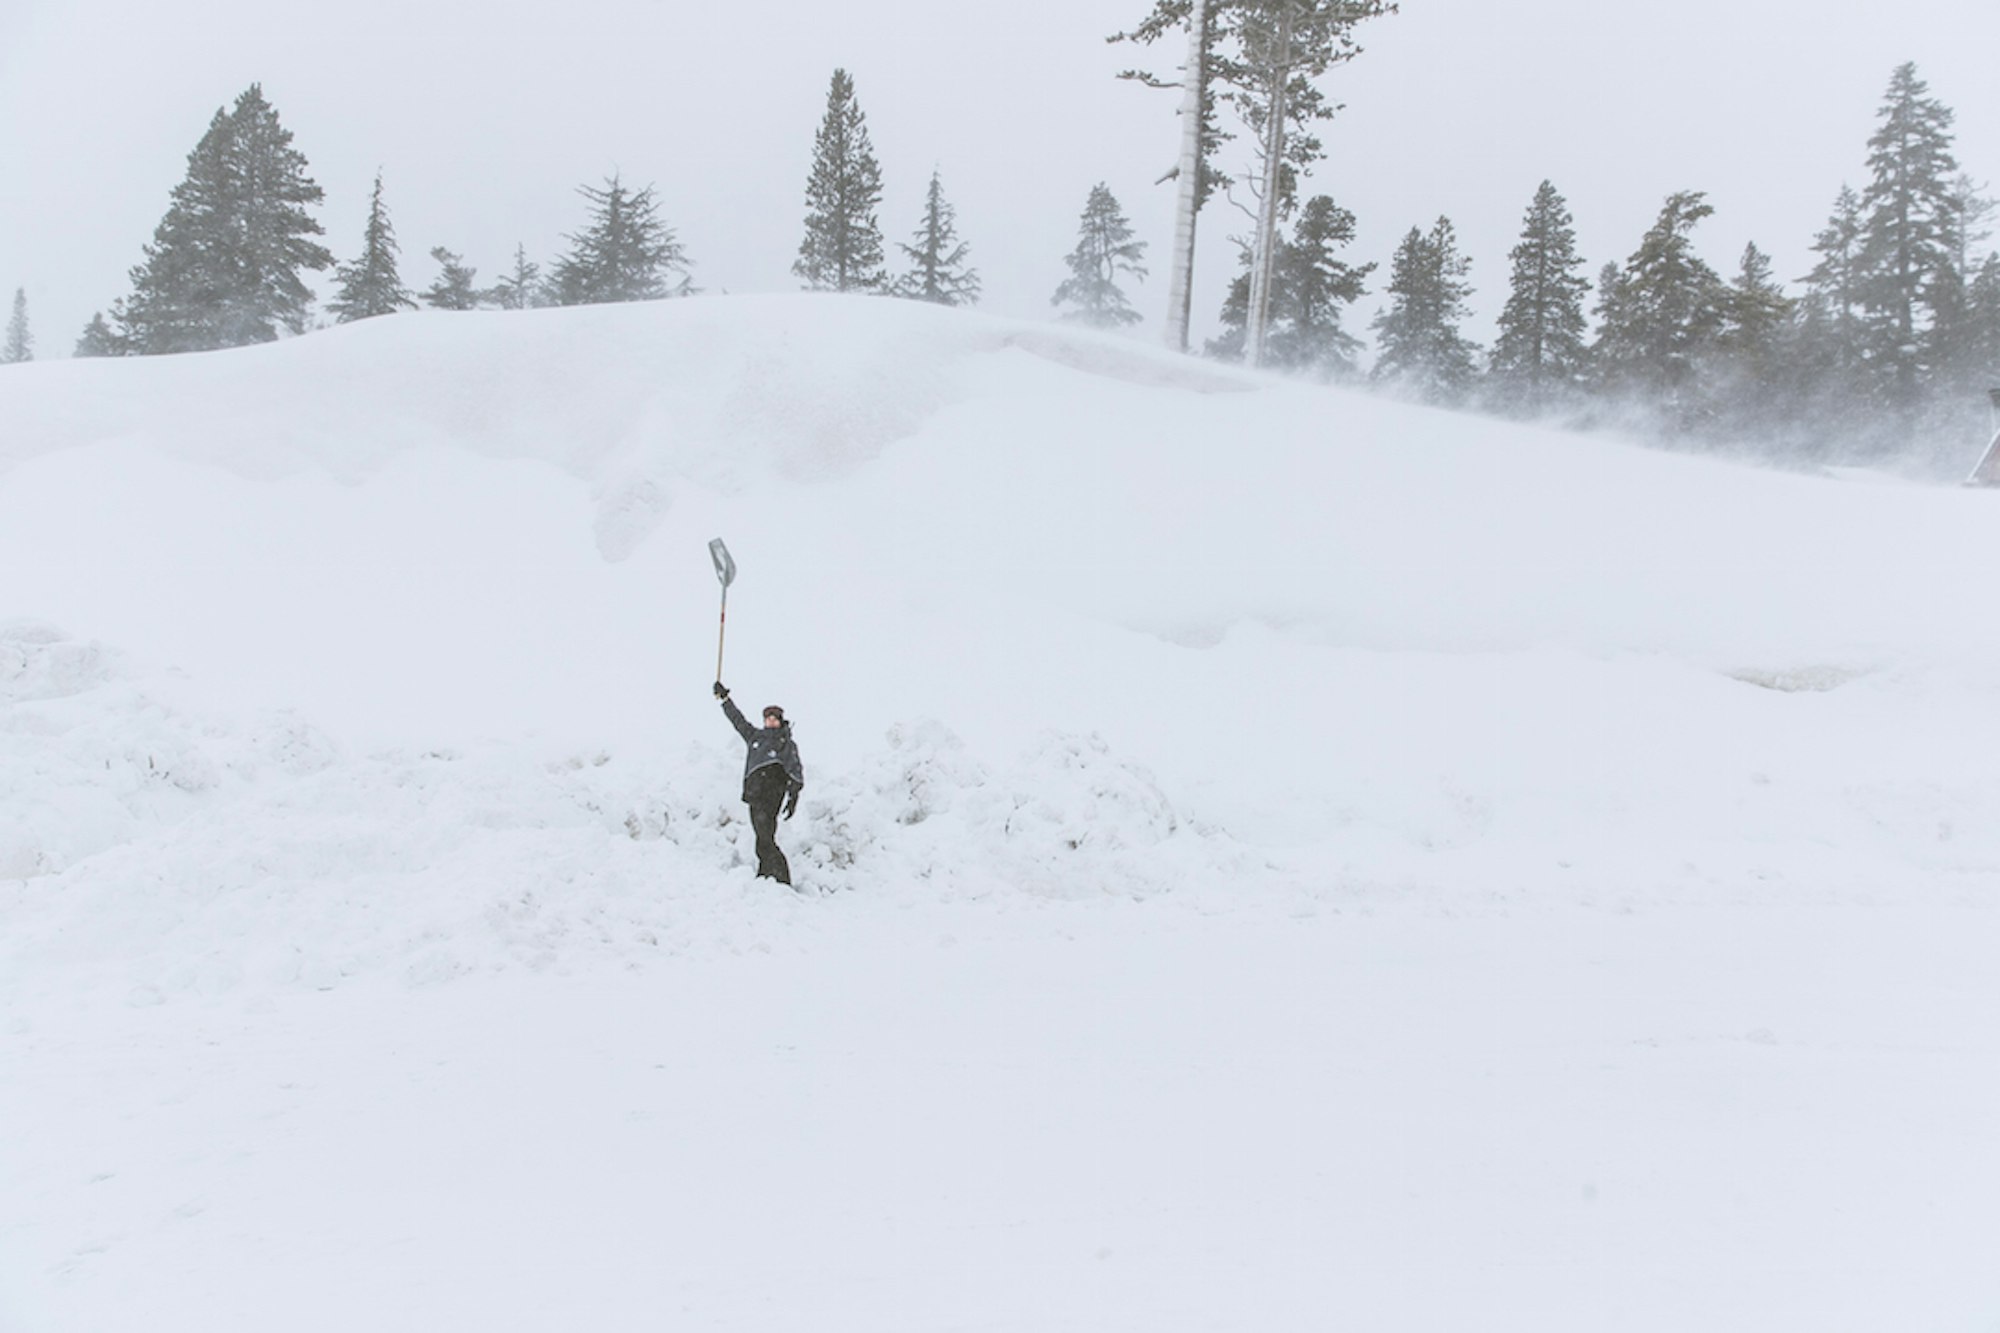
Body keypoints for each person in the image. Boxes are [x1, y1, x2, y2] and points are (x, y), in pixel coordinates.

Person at [714, 681, 804, 885]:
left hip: (773, 789)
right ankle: (766, 874)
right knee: (762, 835)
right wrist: (725, 699)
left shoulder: (785, 744)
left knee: (765, 833)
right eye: (767, 719)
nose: (770, 722)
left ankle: (780, 876)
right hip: (755, 792)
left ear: (780, 721)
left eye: (774, 719)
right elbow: (738, 721)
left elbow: (795, 770)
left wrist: (794, 796)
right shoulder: (755, 737)